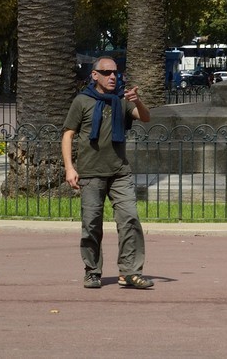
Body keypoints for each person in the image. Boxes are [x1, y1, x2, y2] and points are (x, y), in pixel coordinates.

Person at [62, 57, 152, 290]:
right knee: (91, 224)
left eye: (115, 72)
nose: (113, 76)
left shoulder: (122, 100)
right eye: (106, 72)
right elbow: (68, 134)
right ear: (94, 75)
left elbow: (145, 117)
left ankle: (130, 272)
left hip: (120, 172)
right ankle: (92, 271)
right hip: (90, 173)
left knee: (130, 219)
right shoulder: (82, 101)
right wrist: (70, 168)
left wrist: (138, 101)